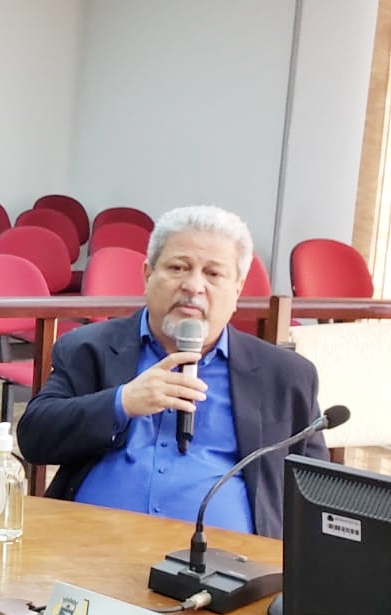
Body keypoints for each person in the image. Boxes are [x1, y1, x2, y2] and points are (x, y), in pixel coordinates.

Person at [17, 204, 323, 538]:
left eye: (213, 274)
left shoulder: (283, 376)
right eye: (178, 267)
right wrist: (122, 402)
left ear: (237, 289)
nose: (193, 286)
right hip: (92, 548)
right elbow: (35, 439)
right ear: (148, 275)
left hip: (226, 561)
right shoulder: (90, 348)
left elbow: (320, 493)